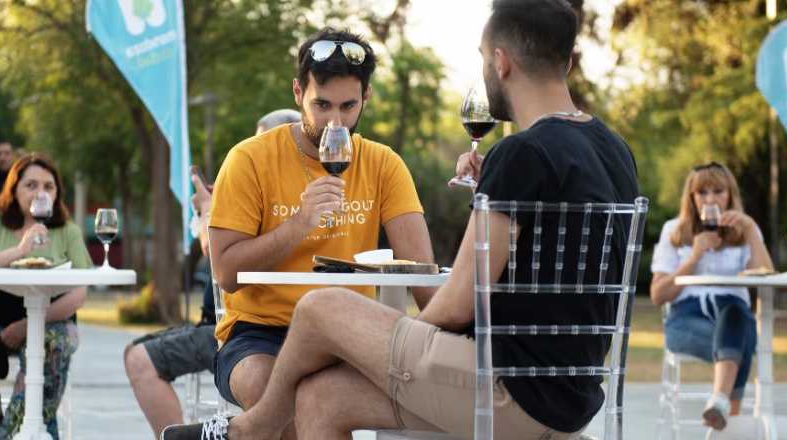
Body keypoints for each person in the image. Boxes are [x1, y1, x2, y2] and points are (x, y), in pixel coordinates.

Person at [162, 0, 639, 438]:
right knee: (321, 398)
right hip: (573, 392)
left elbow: (455, 305)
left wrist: (398, 343)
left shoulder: (520, 154)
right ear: (568, 63)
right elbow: (545, 264)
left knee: (320, 308)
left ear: (501, 62)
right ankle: (257, 424)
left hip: (505, 385)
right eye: (323, 104)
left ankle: (250, 429)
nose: (336, 120)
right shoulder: (614, 149)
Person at [173, 27, 436, 439]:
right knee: (275, 390)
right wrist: (298, 225)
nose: (335, 121)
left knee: (329, 399)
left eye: (348, 106)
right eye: (322, 105)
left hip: (349, 334)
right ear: (298, 92)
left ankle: (238, 433)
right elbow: (224, 273)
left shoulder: (384, 165)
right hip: (260, 332)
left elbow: (421, 275)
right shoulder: (249, 159)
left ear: (366, 97)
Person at [122, 109, 302, 438]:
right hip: (225, 328)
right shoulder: (248, 182)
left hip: (239, 330)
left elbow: (223, 263)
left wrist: (208, 213)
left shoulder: (287, 199)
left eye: (266, 141)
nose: (259, 150)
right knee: (136, 353)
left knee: (139, 359)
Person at [0, 153, 92, 439]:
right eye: (31, 185)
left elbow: (79, 293)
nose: (40, 192)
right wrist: (19, 251)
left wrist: (27, 327)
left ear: (57, 193)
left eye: (48, 187)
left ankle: (13, 433)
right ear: (13, 189)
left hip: (50, 318)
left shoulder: (68, 230)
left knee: (58, 344)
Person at [649, 161, 772, 430]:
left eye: (718, 191)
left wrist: (751, 230)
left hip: (733, 314)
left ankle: (719, 402)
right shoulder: (674, 230)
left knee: (736, 316)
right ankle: (730, 424)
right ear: (691, 198)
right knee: (742, 342)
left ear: (730, 194)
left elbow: (766, 276)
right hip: (686, 320)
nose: (710, 199)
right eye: (702, 193)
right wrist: (693, 258)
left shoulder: (746, 230)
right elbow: (658, 295)